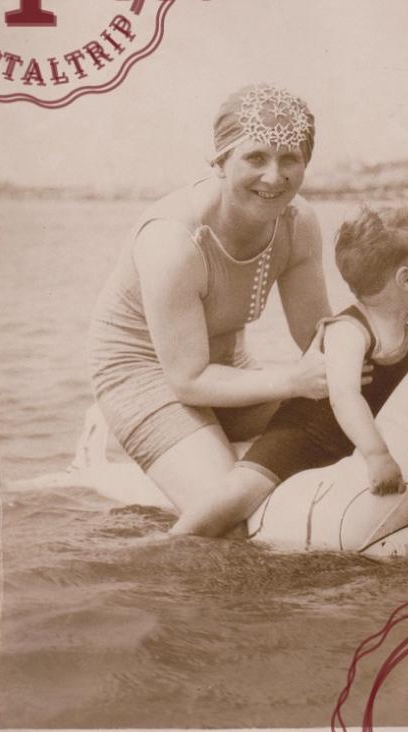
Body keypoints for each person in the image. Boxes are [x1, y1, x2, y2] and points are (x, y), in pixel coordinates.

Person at [88, 84, 334, 512]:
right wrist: (294, 381)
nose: (274, 176)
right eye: (255, 157)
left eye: (289, 159)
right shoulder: (173, 241)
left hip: (223, 366)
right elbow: (187, 380)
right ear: (219, 161)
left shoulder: (298, 223)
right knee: (229, 514)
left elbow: (317, 339)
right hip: (146, 372)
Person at [171, 204, 408, 538]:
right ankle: (175, 542)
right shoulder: (349, 332)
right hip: (306, 435)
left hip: (352, 440)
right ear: (405, 278)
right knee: (240, 491)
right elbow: (344, 397)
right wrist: (377, 455)